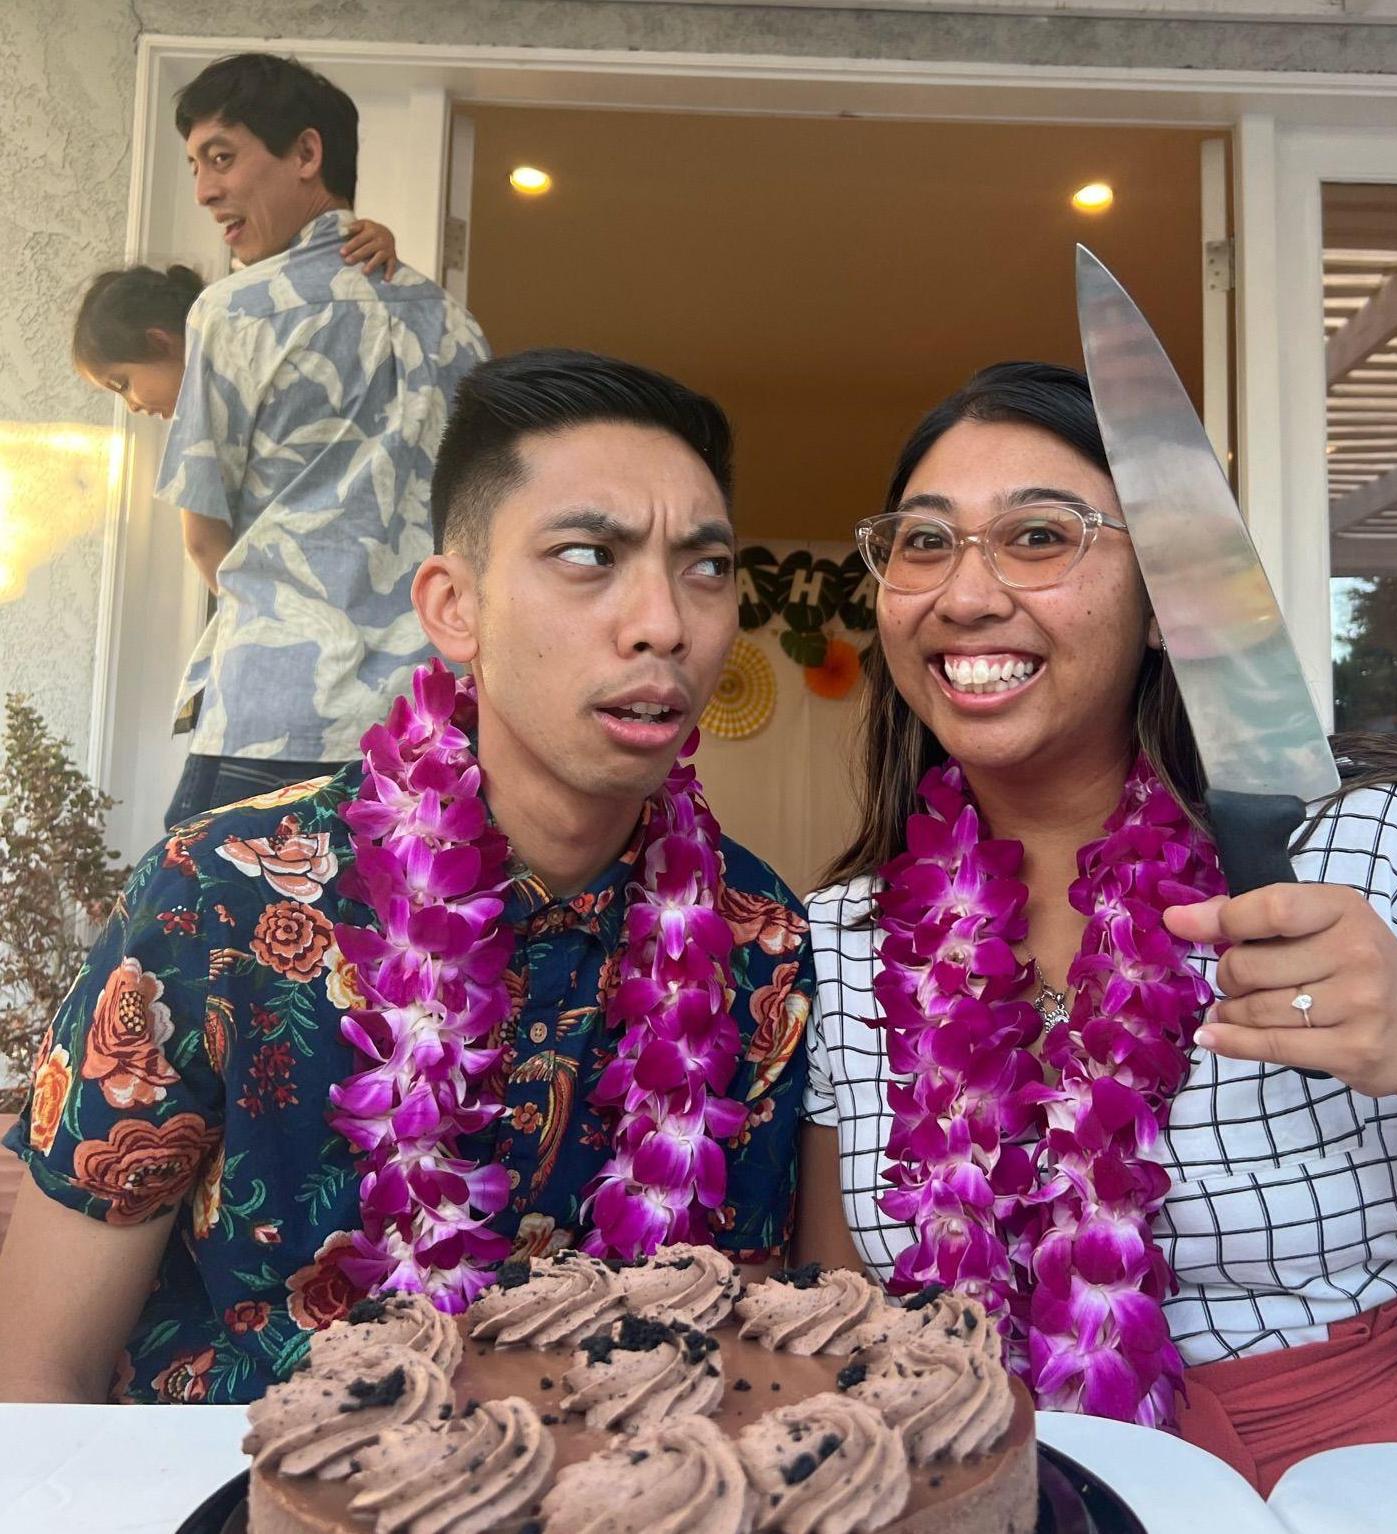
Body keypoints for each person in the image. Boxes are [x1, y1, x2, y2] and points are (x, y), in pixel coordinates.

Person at [0, 349, 813, 1405]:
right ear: (452, 607)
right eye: (588, 554)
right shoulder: (219, 896)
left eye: (705, 567)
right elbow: (37, 1370)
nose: (663, 620)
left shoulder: (759, 944)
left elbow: (748, 1360)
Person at [794, 361, 1397, 1492]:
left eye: (1039, 537)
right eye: (923, 542)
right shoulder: (844, 938)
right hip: (1014, 1490)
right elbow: (844, 1325)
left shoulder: (1375, 853)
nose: (966, 594)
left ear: (1162, 605)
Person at [152, 52, 490, 832]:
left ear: (307, 154)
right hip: (422, 726)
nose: (204, 190)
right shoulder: (458, 330)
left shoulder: (231, 313)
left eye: (222, 158)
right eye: (197, 165)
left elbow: (206, 540)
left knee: (217, 950)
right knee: (396, 951)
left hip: (274, 715)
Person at [71, 222, 400, 579]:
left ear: (159, 342)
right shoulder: (255, 348)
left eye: (122, 384)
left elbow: (201, 545)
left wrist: (249, 618)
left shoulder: (206, 411)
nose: (132, 405)